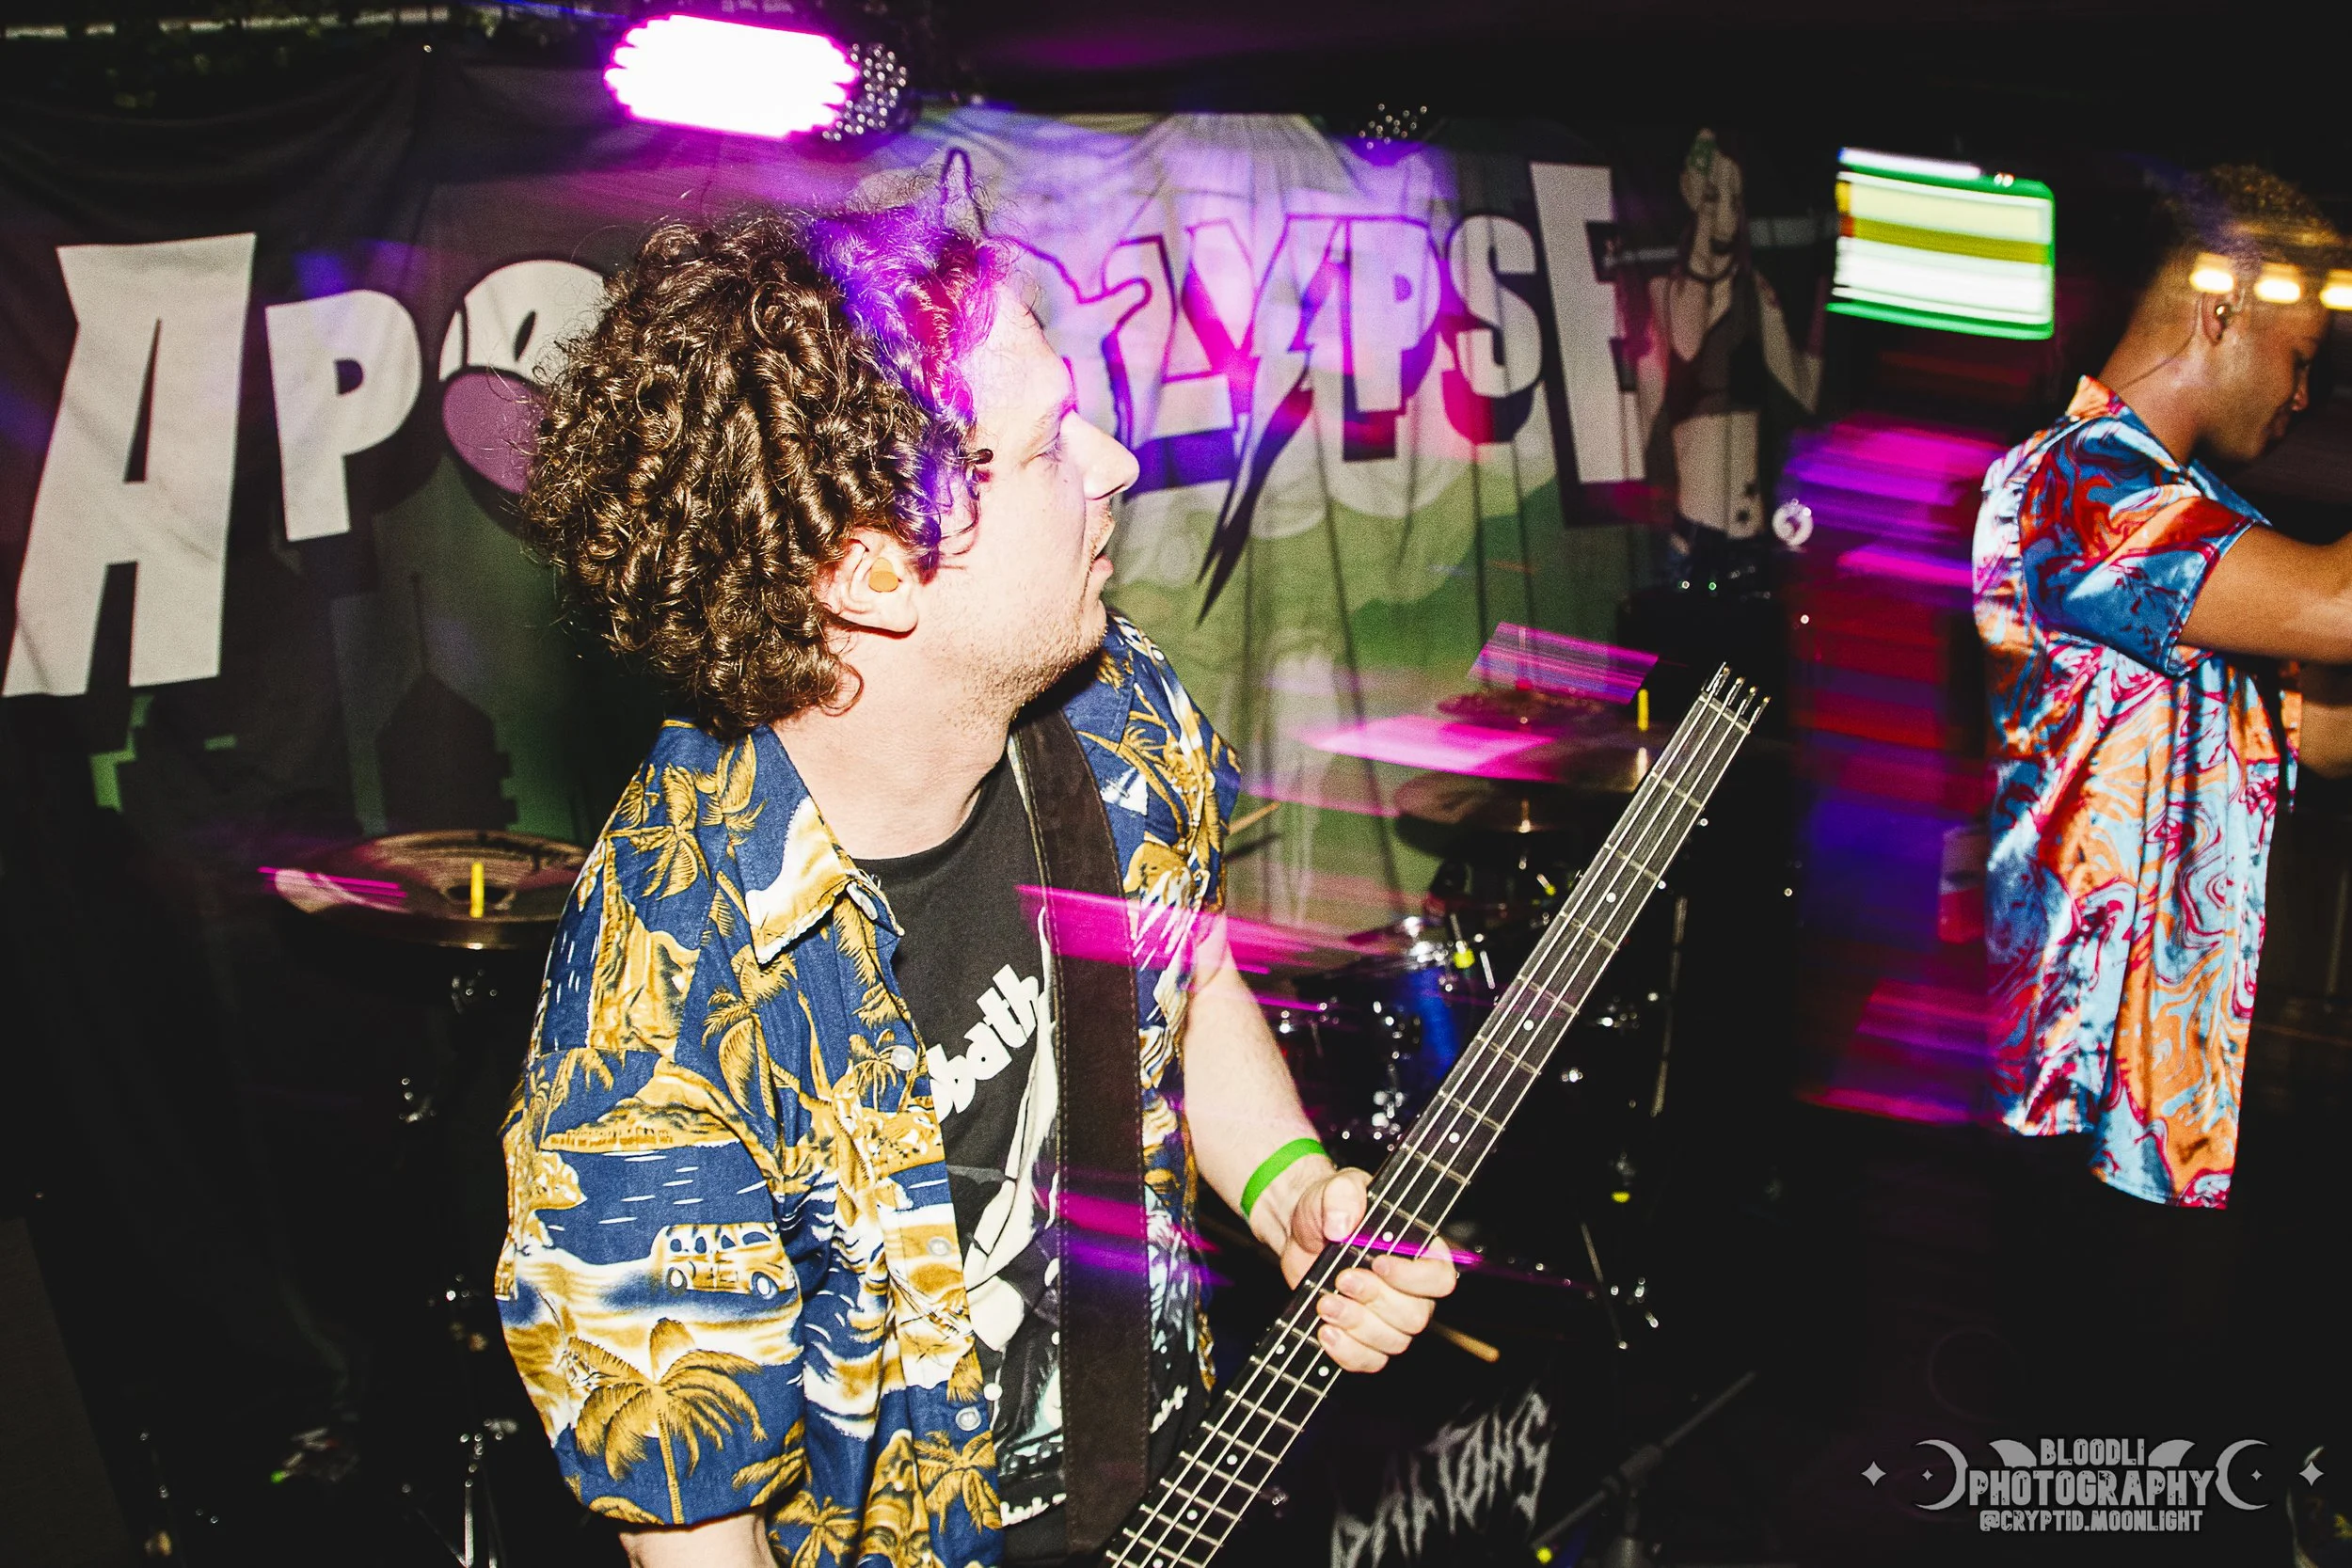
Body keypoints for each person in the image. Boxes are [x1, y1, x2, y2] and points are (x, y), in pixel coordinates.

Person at [493, 198, 1455, 1568]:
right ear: (874, 571)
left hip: (1181, 1479)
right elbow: (696, 1544)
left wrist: (1293, 1188)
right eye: (1052, 443)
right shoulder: (657, 1011)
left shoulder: (1115, 708)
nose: (1115, 460)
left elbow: (1192, 982)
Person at [1975, 165, 2352, 1420]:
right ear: (2219, 303)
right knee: (2084, 1473)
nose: (2307, 394)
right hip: (2068, 1099)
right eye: (2299, 355)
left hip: (2161, 1104)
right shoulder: (2080, 487)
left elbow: (2316, 728)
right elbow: (2340, 606)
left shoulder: (2200, 520)